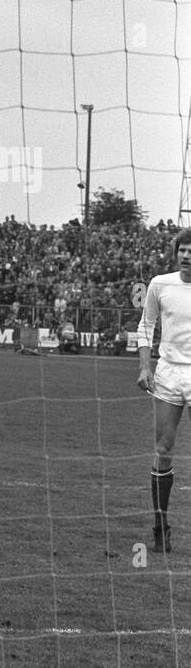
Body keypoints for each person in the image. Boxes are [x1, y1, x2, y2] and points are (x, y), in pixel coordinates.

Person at [136, 229, 191, 553]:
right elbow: (146, 325)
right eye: (182, 250)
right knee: (163, 449)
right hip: (169, 372)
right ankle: (160, 527)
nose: (186, 255)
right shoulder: (160, 283)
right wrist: (145, 366)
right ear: (176, 253)